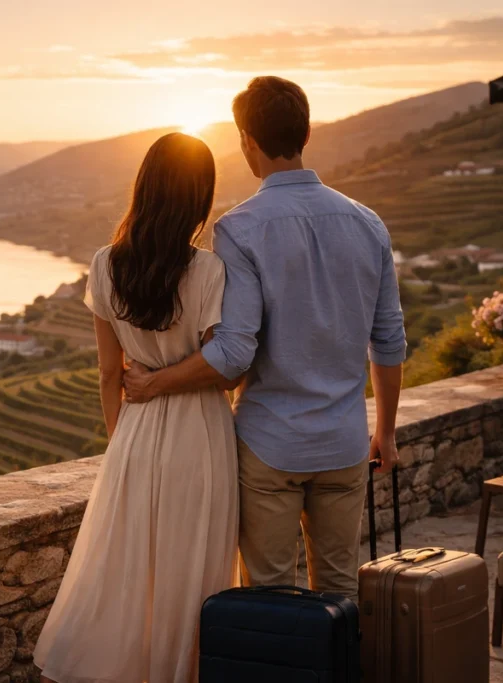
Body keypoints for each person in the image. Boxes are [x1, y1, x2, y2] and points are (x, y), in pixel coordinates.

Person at [124, 76, 407, 603]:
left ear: (247, 140)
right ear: (304, 134)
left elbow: (234, 353)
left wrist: (154, 383)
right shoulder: (368, 224)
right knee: (341, 590)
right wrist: (385, 432)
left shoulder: (240, 228)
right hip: (345, 442)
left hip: (270, 446)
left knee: (270, 600)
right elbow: (388, 340)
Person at [33, 132, 240, 683]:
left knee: (129, 568)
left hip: (136, 431)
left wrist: (119, 439)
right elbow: (226, 368)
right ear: (198, 197)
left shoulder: (104, 265)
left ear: (143, 188)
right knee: (194, 567)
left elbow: (108, 373)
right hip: (202, 432)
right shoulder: (210, 272)